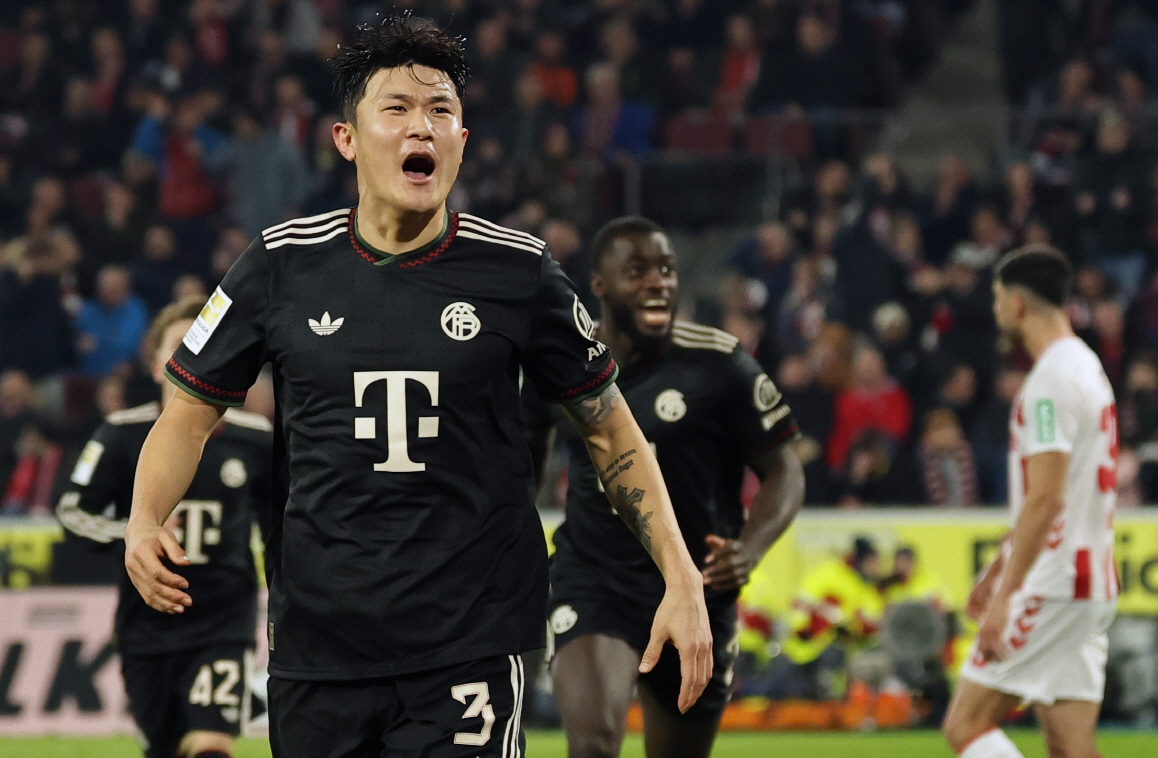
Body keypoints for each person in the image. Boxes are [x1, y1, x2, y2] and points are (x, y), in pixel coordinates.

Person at [122, 17, 711, 758]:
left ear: (461, 139)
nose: (421, 126)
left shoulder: (519, 271)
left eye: (440, 111)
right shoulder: (279, 264)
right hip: (318, 650)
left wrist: (680, 576)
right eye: (396, 108)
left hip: (469, 645)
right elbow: (187, 413)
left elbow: (610, 428)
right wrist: (144, 519)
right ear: (347, 139)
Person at [539, 216, 805, 758]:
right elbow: (521, 452)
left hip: (697, 588)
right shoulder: (564, 359)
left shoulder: (720, 362)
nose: (657, 281)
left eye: (666, 269)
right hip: (594, 578)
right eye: (637, 271)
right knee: (592, 746)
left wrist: (749, 550)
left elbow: (786, 470)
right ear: (600, 285)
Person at [56, 296, 273, 758]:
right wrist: (132, 533)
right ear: (157, 366)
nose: (195, 353)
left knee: (211, 744)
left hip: (223, 622)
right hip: (146, 626)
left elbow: (287, 521)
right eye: (180, 344)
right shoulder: (120, 434)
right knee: (165, 748)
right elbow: (72, 513)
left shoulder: (256, 438)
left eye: (204, 341)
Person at [943, 244, 1119, 758]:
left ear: (1017, 304)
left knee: (965, 726)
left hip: (1054, 581)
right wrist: (998, 568)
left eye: (998, 297)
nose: (996, 308)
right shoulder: (1085, 366)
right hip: (1089, 581)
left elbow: (1045, 499)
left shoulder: (1050, 383)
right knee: (1069, 744)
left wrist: (1006, 595)